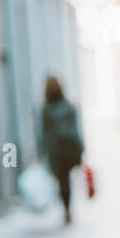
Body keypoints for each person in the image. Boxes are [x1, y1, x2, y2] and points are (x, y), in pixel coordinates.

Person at [40, 76, 84, 224]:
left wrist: (42, 152)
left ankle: (66, 209)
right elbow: (75, 129)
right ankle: (67, 209)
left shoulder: (46, 109)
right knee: (65, 180)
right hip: (68, 148)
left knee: (62, 180)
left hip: (56, 150)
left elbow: (43, 133)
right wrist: (81, 148)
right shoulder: (68, 105)